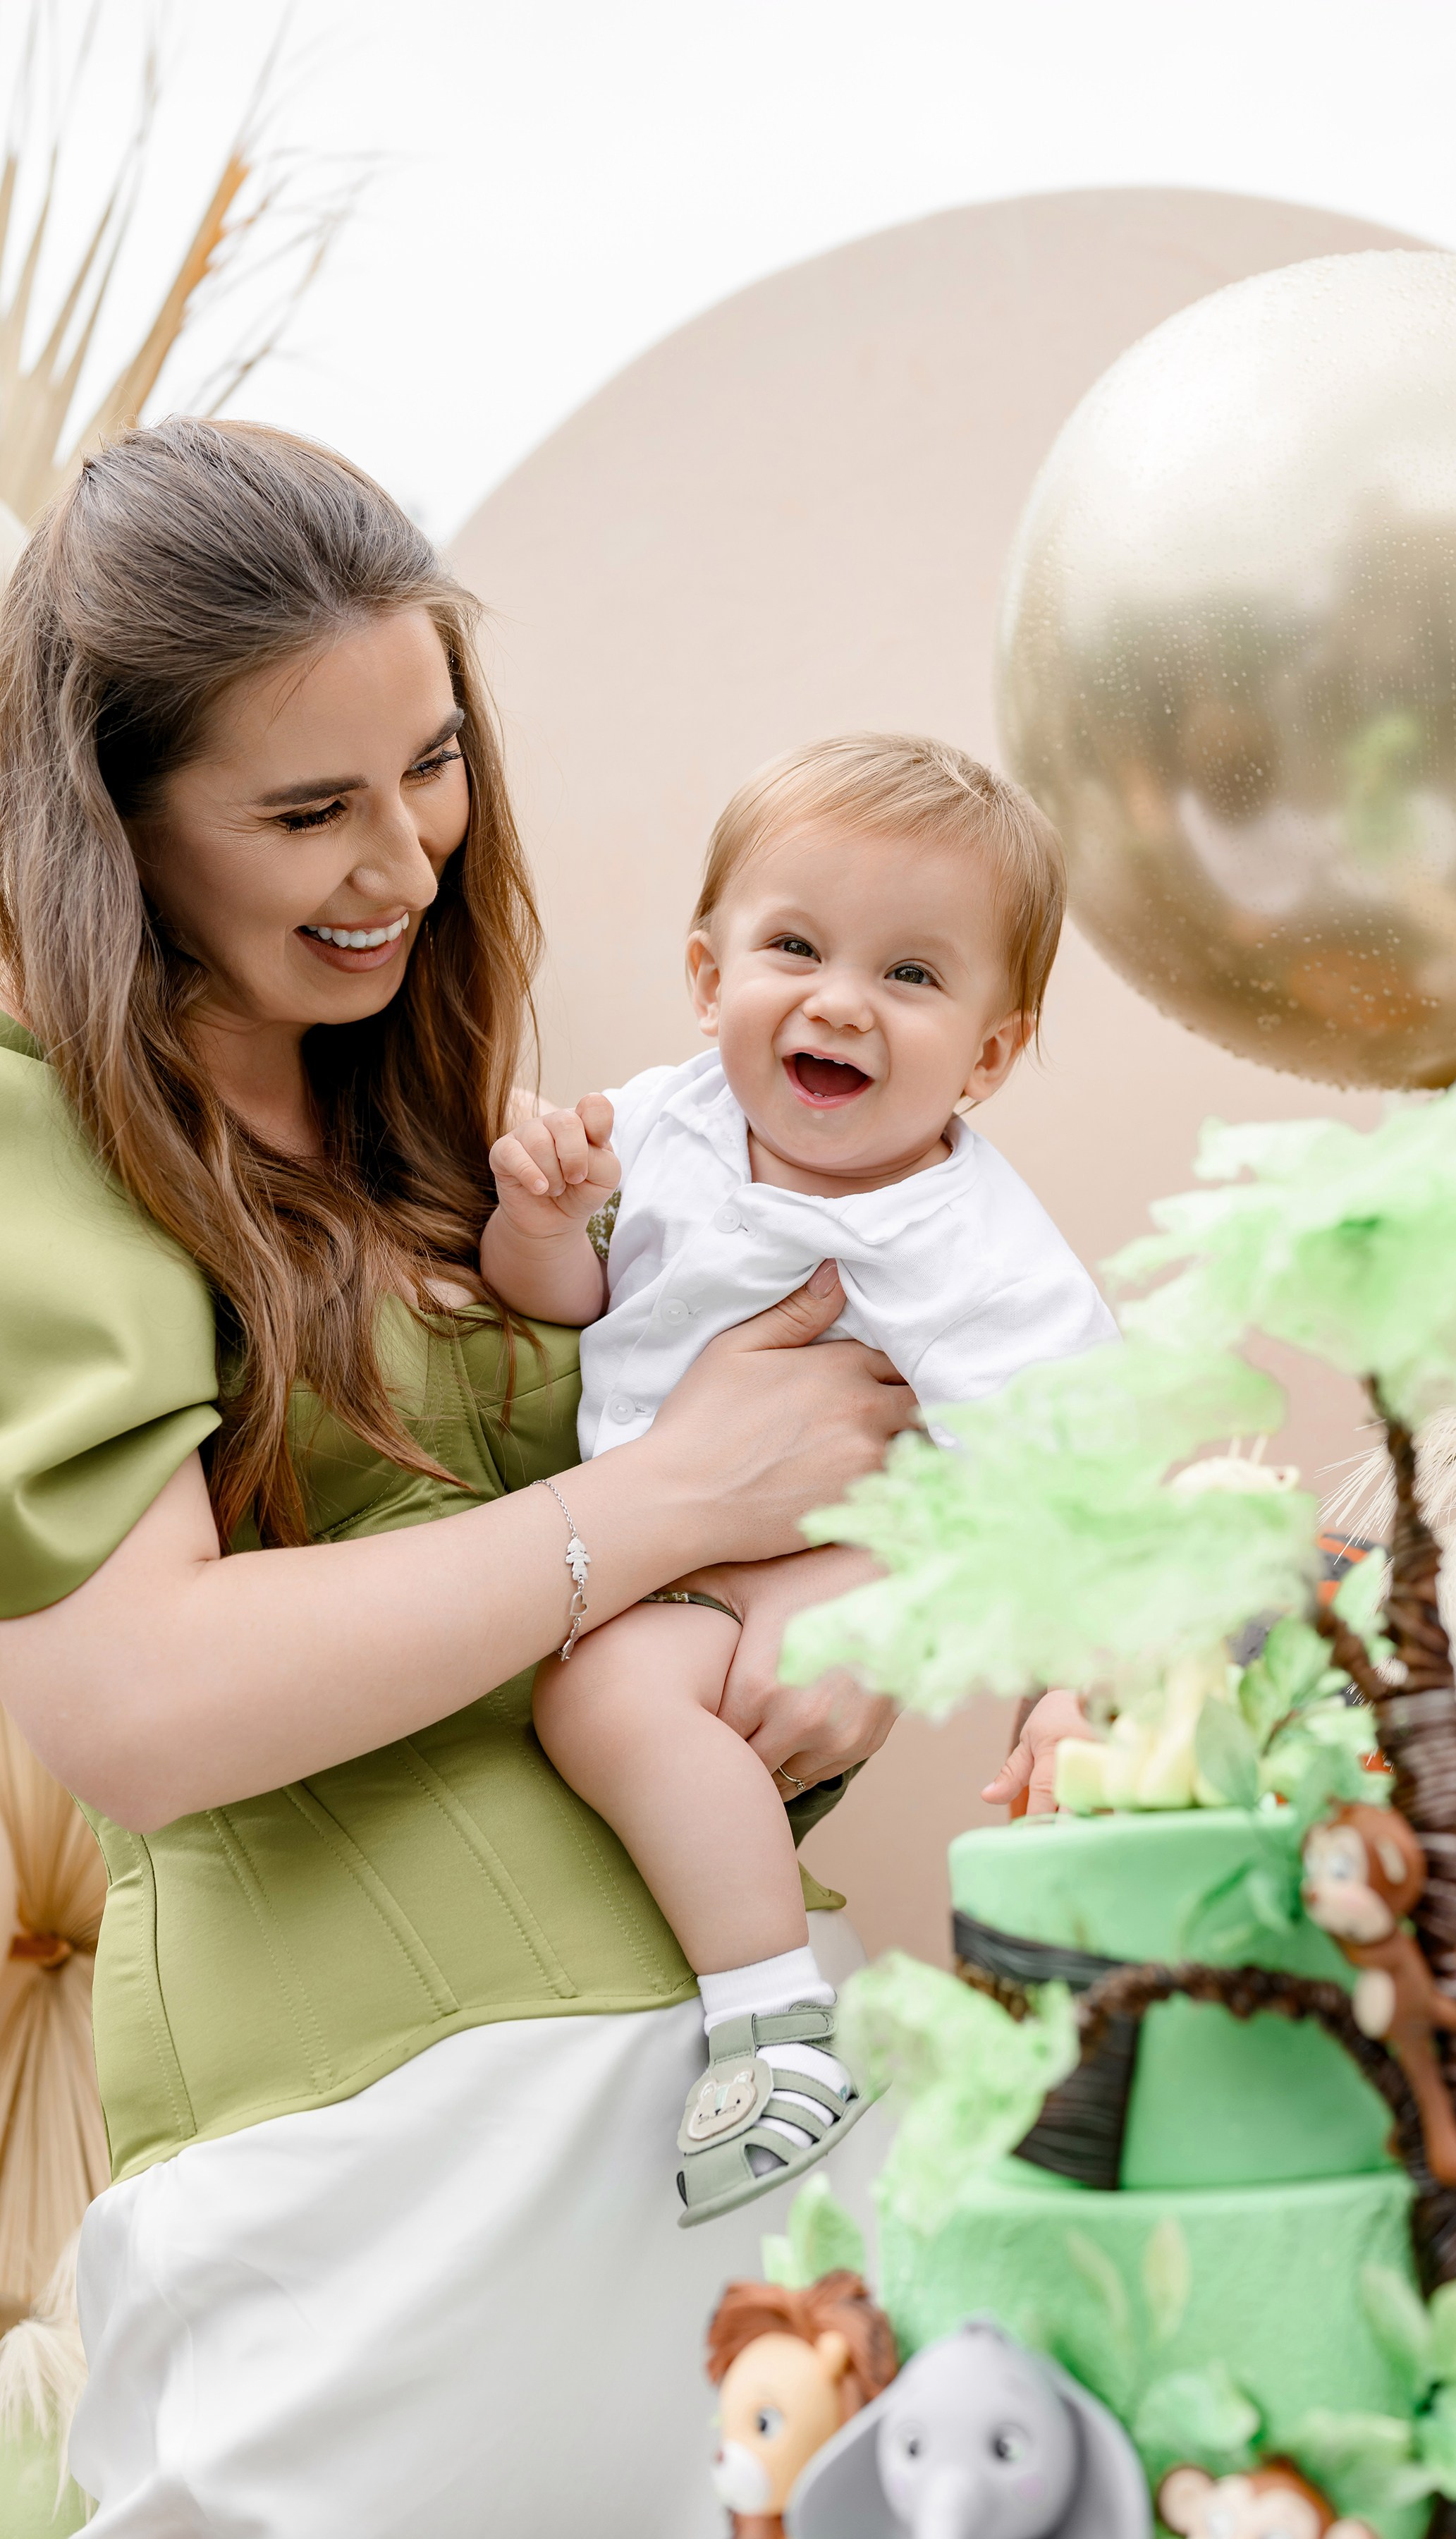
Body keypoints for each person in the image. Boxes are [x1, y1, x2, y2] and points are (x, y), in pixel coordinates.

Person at [0, 418, 914, 2537]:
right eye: (308, 809)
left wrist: (819, 1655)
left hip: (735, 2123)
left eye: (431, 762)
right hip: (387, 2204)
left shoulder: (436, 1115)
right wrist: (668, 1509)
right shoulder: (38, 1145)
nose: (403, 863)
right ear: (110, 828)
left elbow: (636, 1550)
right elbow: (136, 1709)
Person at [478, 734, 1119, 2224]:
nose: (839, 1000)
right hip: (656, 1538)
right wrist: (540, 1215)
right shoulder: (665, 1125)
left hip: (776, 1580)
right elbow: (568, 1303)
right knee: (592, 1702)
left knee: (596, 1696)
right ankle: (755, 1990)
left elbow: (1073, 1480)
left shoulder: (972, 1247)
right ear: (710, 980)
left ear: (990, 1052)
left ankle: (772, 2018)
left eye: (912, 975)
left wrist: (1065, 1691)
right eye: (796, 947)